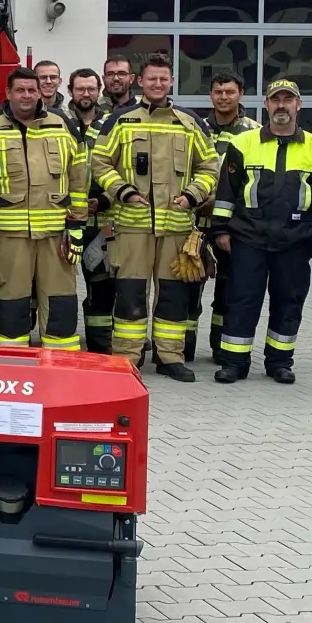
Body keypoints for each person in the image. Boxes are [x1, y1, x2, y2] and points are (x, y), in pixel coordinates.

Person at [92, 52, 219, 381]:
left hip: (176, 227)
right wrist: (124, 192)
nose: (158, 84)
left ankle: (170, 357)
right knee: (130, 295)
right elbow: (100, 163)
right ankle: (127, 358)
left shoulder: (190, 122)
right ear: (140, 81)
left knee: (174, 297)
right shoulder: (121, 120)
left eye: (164, 79)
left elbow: (209, 166)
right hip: (131, 227)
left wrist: (192, 195)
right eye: (152, 79)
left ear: (172, 81)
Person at [210, 79, 312, 386]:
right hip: (248, 236)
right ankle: (234, 362)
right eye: (276, 100)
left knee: (289, 301)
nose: (281, 105)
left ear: (298, 106)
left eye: (288, 100)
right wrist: (221, 229)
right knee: (241, 299)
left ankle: (279, 362)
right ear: (266, 104)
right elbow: (227, 191)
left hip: (295, 238)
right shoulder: (244, 142)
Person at [0, 68, 88, 351]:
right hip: (8, 236)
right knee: (11, 301)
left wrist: (77, 225)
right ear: (8, 94)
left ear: (40, 93)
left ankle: (61, 362)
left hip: (56, 235)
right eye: (20, 90)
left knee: (61, 300)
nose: (26, 96)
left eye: (31, 90)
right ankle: (12, 362)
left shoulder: (64, 125)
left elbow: (80, 176)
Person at [196, 72, 261, 361]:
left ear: (241, 94)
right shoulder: (195, 127)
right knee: (186, 289)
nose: (224, 97)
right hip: (194, 223)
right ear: (210, 95)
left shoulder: (254, 132)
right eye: (218, 92)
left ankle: (222, 348)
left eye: (230, 92)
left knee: (229, 290)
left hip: (233, 226)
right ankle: (182, 349)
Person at [62, 68, 113, 354]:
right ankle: (62, 340)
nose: (86, 94)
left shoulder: (112, 123)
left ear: (99, 91)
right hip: (66, 219)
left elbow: (123, 166)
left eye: (91, 89)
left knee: (101, 283)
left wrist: (104, 199)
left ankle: (100, 345)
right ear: (70, 90)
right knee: (63, 282)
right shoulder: (58, 122)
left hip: (104, 218)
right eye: (80, 89)